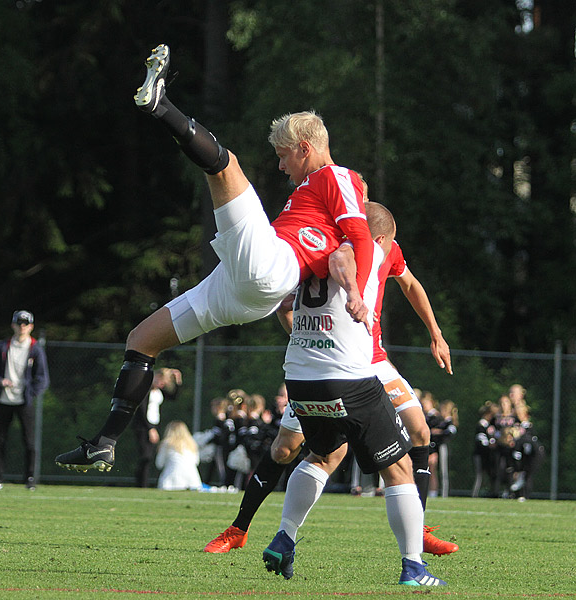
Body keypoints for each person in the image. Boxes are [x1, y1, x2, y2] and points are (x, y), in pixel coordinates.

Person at [55, 43, 375, 473]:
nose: (281, 167)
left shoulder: (336, 176)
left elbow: (361, 237)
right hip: (246, 290)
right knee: (141, 340)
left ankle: (159, 104)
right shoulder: (311, 193)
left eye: (283, 156)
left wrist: (361, 295)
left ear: (304, 147)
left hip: (270, 268)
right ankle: (103, 442)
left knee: (226, 166)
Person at [204, 202, 457, 557]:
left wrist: (435, 333)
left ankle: (419, 530)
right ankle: (239, 529)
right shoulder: (329, 248)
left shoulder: (387, 249)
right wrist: (305, 343)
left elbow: (411, 283)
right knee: (285, 449)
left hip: (374, 361)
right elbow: (285, 304)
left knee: (420, 432)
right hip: (330, 365)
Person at [261, 206, 446, 587]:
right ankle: (413, 567)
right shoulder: (363, 246)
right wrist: (353, 294)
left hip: (299, 378)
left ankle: (284, 536)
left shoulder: (305, 245)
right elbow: (346, 255)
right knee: (399, 469)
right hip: (347, 375)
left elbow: (279, 298)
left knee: (322, 455)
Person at [0, 310, 50, 490]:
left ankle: (30, 478)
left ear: (31, 326)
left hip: (24, 401)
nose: (22, 327)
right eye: (19, 323)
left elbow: (42, 378)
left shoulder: (35, 349)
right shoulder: (4, 346)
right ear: (13, 325)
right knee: (0, 439)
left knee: (29, 442)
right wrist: (1, 381)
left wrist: (31, 393)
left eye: (25, 323)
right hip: (4, 399)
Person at [132, 367, 182, 487]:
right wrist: (150, 429)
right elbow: (142, 410)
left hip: (153, 425)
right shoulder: (145, 389)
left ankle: (143, 483)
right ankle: (141, 484)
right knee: (146, 456)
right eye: (161, 381)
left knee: (149, 457)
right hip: (144, 426)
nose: (162, 384)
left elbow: (173, 397)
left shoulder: (158, 391)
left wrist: (178, 381)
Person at [155, 420, 203, 491]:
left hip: (170, 482)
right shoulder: (192, 444)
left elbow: (159, 464)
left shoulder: (166, 444)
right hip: (193, 481)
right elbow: (196, 462)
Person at [471, 401, 498, 497]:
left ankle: (488, 493)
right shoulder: (481, 425)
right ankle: (475, 494)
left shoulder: (490, 425)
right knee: (479, 475)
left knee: (489, 475)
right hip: (480, 454)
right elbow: (480, 440)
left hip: (488, 454)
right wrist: (489, 445)